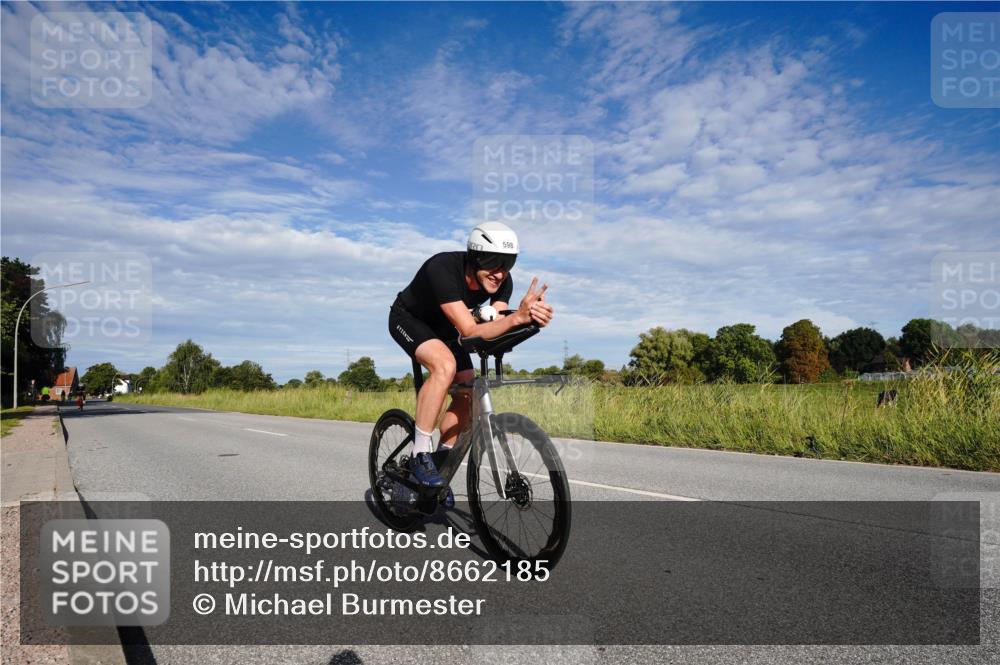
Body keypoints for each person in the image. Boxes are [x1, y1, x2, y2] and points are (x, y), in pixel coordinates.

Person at [388, 221, 553, 489]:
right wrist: (516, 319)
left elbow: (493, 326)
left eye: (507, 263)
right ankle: (420, 455)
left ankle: (440, 464)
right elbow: (468, 330)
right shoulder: (442, 268)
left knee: (468, 389)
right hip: (409, 319)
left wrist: (528, 319)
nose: (499, 273)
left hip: (445, 327)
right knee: (444, 366)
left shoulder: (502, 283)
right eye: (491, 261)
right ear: (475, 256)